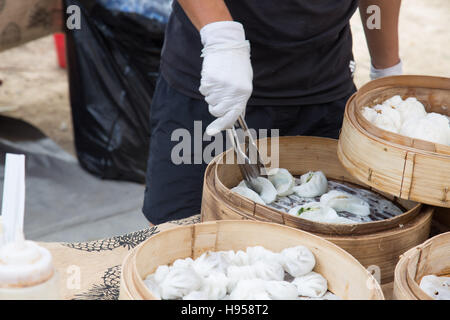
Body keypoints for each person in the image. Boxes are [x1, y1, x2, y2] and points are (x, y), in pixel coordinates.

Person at [143, 0, 403, 224]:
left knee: (337, 239)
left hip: (324, 94)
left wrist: (387, 70)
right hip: (216, 87)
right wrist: (221, 38)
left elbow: (375, 10)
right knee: (181, 235)